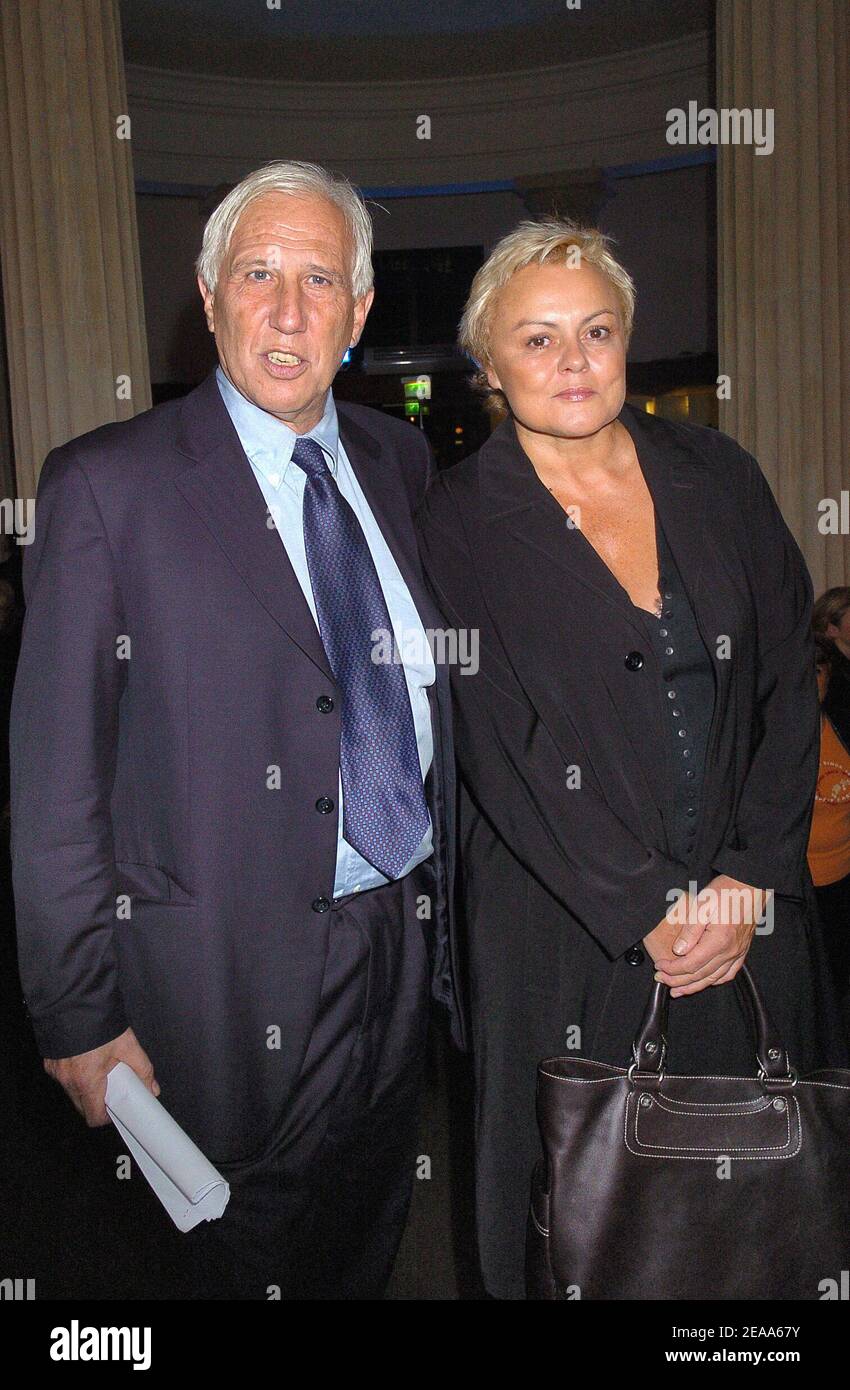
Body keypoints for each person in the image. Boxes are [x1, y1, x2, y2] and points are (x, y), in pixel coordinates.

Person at [10, 160, 463, 1300]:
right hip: (213, 976)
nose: (288, 308)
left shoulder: (398, 461)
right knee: (226, 1254)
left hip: (397, 942)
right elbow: (55, 780)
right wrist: (76, 1012)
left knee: (369, 1224)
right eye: (257, 272)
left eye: (321, 278)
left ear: (359, 315)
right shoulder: (106, 488)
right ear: (206, 294)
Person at [415, 218, 846, 1300]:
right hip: (571, 933)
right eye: (538, 339)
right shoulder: (459, 516)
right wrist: (645, 903)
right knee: (582, 1222)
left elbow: (787, 673)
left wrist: (750, 874)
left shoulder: (716, 470)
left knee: (758, 1211)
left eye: (595, 331)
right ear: (488, 366)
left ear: (627, 340)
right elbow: (497, 740)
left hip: (748, 916)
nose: (572, 362)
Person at [808, 629, 850, 1022]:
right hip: (792, 886)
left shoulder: (842, 729)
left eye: (818, 673)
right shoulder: (765, 734)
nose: (812, 683)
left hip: (841, 881)